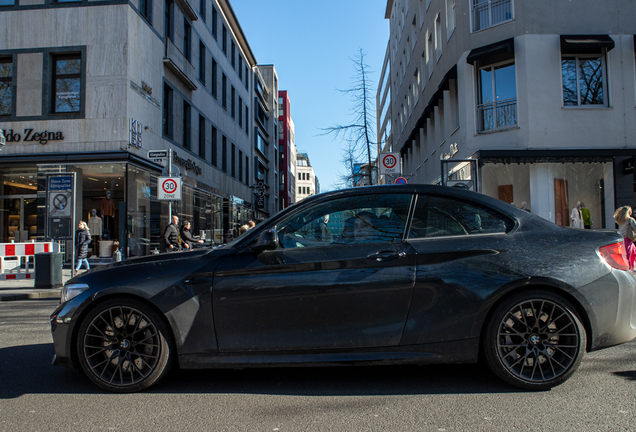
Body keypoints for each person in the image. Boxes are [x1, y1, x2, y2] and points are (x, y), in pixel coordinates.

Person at [614, 206, 636, 270]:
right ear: (629, 212)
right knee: (628, 254)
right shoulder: (630, 219)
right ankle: (628, 268)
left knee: (633, 251)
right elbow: (635, 228)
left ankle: (631, 266)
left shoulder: (621, 220)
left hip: (621, 238)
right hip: (627, 239)